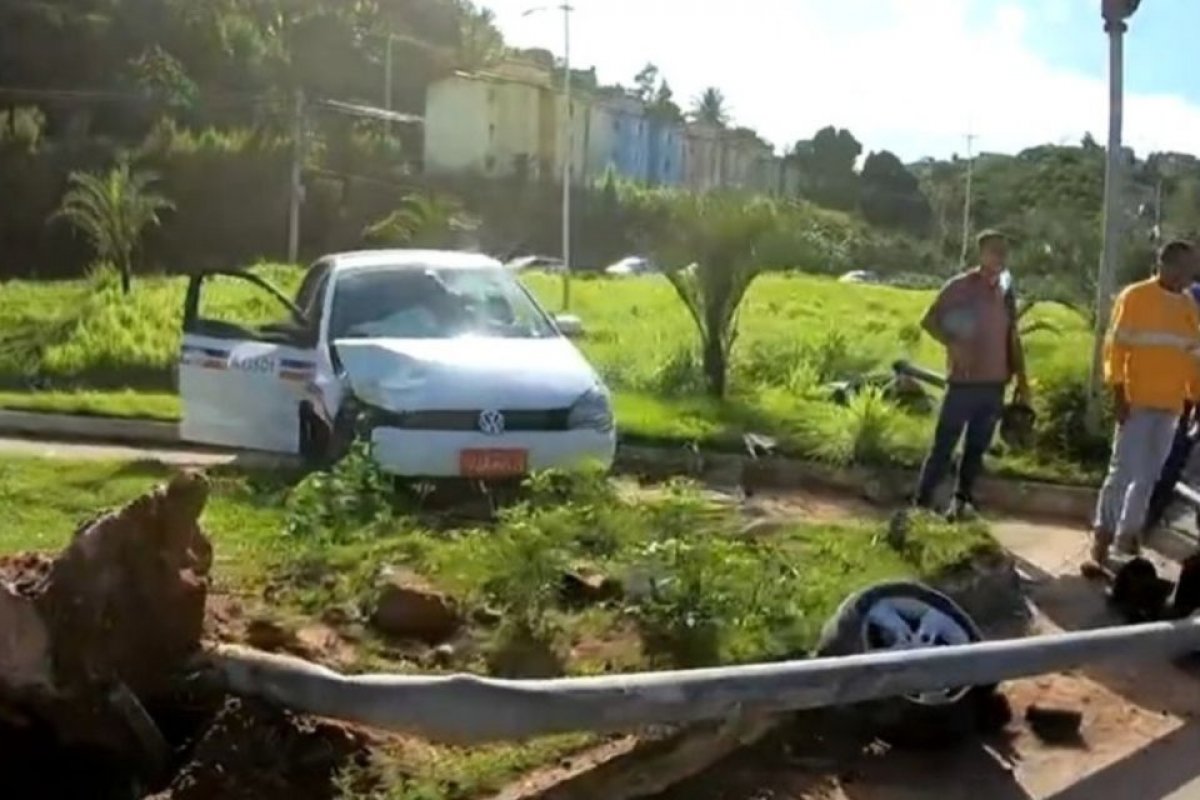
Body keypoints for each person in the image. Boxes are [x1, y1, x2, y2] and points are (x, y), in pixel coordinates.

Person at [1092, 240, 1200, 564]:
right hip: (1137, 401)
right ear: (1165, 264)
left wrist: (1195, 398)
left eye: (1192, 267)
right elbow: (1116, 350)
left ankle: (1128, 537)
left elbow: (1193, 357)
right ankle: (1102, 539)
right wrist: (1119, 394)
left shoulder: (1187, 308)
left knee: (1149, 475)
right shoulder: (1136, 297)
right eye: (1185, 266)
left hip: (1170, 405)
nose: (1190, 274)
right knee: (1122, 471)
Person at [913, 230, 1030, 518]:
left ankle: (961, 503)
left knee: (976, 449)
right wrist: (953, 343)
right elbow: (928, 321)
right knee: (944, 446)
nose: (999, 257)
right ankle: (922, 503)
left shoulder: (1005, 291)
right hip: (963, 382)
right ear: (981, 254)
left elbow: (1012, 337)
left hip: (994, 384)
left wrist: (1022, 380)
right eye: (994, 251)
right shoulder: (960, 287)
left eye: (1003, 252)